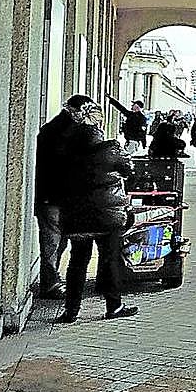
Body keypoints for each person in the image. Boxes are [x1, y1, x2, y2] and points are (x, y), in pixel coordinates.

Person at [53, 100, 138, 323]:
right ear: (100, 125)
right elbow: (129, 171)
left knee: (77, 262)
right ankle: (114, 306)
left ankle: (71, 312)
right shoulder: (111, 149)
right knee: (109, 259)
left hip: (77, 214)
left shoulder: (64, 149)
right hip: (106, 215)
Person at [34, 94, 93, 299]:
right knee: (52, 242)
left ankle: (52, 280)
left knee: (56, 242)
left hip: (52, 196)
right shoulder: (62, 132)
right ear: (77, 111)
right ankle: (49, 284)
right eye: (85, 111)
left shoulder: (53, 129)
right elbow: (66, 160)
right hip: (53, 197)